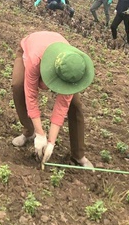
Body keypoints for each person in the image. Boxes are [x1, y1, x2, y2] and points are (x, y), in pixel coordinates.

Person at [10, 31, 95, 168]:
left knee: (75, 104)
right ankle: (29, 132)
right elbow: (31, 96)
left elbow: (62, 107)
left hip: (59, 60)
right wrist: (40, 133)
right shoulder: (35, 59)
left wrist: (51, 142)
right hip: (31, 50)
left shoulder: (73, 66)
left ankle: (78, 155)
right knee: (18, 85)